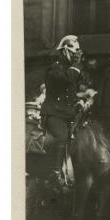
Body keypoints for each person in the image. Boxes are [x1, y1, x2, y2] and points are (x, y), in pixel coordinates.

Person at [40, 35, 85, 187]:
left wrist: (79, 101)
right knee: (62, 136)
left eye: (77, 53)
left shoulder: (69, 68)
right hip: (53, 113)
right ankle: (55, 172)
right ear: (65, 50)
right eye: (74, 52)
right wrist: (77, 65)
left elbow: (70, 91)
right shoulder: (55, 67)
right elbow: (66, 80)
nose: (76, 56)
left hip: (67, 112)